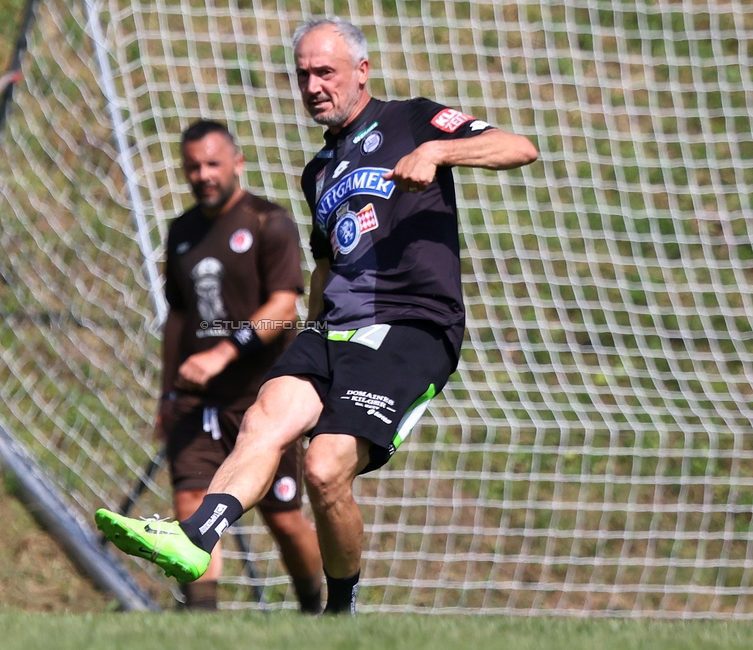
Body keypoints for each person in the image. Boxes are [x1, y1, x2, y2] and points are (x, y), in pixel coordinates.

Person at [96, 18, 538, 615]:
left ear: (362, 72)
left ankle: (340, 609)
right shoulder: (318, 173)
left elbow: (519, 147)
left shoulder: (413, 120)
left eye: (325, 71)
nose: (312, 85)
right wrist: (307, 330)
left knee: (325, 467)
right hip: (330, 331)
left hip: (410, 326)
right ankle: (195, 537)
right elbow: (327, 266)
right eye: (302, 74)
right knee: (265, 420)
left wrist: (436, 151)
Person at [149, 119, 323, 612]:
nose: (202, 175)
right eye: (192, 167)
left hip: (260, 401)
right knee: (191, 509)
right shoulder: (181, 231)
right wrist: (166, 394)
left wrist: (222, 353)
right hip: (196, 402)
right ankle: (202, 625)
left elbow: (283, 308)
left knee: (285, 520)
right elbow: (177, 319)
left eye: (212, 164)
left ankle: (321, 612)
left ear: (237, 164)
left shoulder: (269, 223)